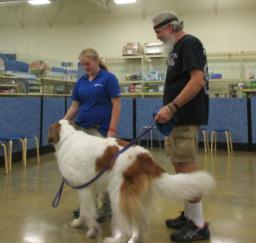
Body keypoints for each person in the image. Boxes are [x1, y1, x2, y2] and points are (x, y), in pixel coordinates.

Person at [152, 11, 210, 242]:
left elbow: (197, 80)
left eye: (158, 30)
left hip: (184, 115)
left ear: (172, 26)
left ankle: (198, 224)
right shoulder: (177, 48)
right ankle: (189, 215)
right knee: (179, 166)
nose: (156, 36)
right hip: (176, 118)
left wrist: (172, 107)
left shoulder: (189, 43)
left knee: (187, 169)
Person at [64, 48, 121, 222]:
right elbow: (75, 106)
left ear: (97, 61)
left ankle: (107, 207)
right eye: (83, 65)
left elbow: (117, 105)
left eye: (88, 64)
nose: (85, 67)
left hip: (100, 131)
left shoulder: (108, 79)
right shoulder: (81, 81)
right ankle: (87, 206)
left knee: (102, 169)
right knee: (84, 170)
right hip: (82, 131)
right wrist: (63, 124)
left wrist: (112, 130)